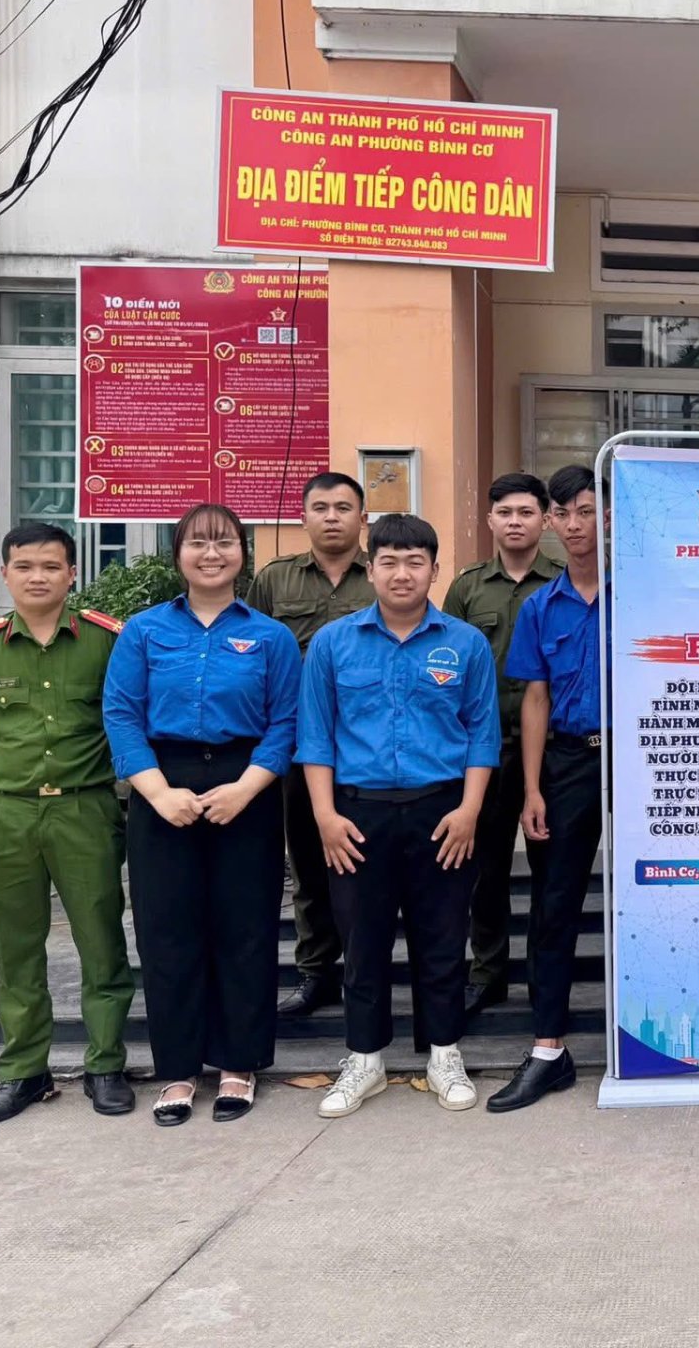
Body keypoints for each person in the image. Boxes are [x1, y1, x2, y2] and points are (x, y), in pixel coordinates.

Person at [295, 514, 500, 1118]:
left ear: (436, 570)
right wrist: (326, 818)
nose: (402, 573)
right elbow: (315, 736)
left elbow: (482, 734)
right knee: (362, 941)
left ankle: (443, 1053)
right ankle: (365, 1060)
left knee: (442, 937)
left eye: (415, 561)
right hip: (357, 816)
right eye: (389, 561)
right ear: (370, 568)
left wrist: (468, 812)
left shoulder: (464, 643)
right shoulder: (334, 643)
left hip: (442, 813)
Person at [101, 504, 299, 1126]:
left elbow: (287, 722)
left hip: (248, 785)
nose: (211, 554)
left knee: (246, 929)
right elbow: (122, 714)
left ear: (244, 553)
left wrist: (245, 788)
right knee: (168, 933)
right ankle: (179, 1070)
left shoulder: (270, 636)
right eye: (197, 544)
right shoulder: (143, 631)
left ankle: (239, 1064)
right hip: (164, 785)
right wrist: (157, 793)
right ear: (177, 554)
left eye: (224, 543)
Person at [0, 524, 135, 1126]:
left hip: (83, 809)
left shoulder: (106, 642)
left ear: (73, 573)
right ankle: (25, 1071)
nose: (38, 576)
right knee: (15, 949)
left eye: (51, 565)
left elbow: (128, 720)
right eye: (24, 566)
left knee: (101, 944)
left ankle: (106, 1065)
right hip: (5, 814)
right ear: (6, 574)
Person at [489, 464, 608, 1111]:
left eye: (588, 510)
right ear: (551, 523)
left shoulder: (646, 595)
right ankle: (547, 1051)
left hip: (643, 759)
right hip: (567, 760)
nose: (576, 524)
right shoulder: (540, 606)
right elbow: (534, 697)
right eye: (565, 514)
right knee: (554, 904)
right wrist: (532, 788)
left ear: (609, 516)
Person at [247, 472, 374, 1019]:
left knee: (368, 864)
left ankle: (364, 974)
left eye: (343, 507)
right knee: (307, 861)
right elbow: (249, 655)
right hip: (297, 747)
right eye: (320, 507)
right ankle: (316, 972)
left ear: (362, 518)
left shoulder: (383, 575)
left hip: (367, 748)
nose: (331, 516)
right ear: (303, 517)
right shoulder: (275, 581)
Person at [443, 471, 562, 1016]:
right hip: (483, 750)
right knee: (483, 867)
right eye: (505, 513)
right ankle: (488, 972)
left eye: (526, 512)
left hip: (554, 747)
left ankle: (545, 973)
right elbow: (445, 664)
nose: (515, 522)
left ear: (545, 520)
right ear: (490, 521)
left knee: (551, 867)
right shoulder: (467, 588)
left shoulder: (564, 583)